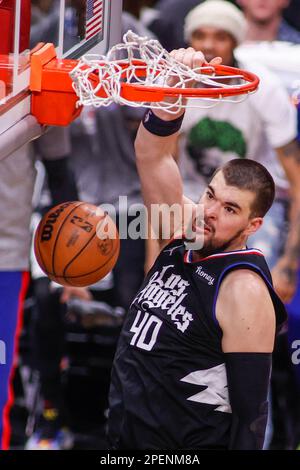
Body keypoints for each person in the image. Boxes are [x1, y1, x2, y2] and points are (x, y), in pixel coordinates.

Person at [107, 47, 287, 449]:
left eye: (229, 209)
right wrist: (175, 89)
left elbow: (251, 416)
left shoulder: (242, 288)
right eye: (210, 196)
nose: (209, 213)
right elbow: (151, 155)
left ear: (253, 225)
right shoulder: (185, 231)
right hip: (126, 439)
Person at [180, 0, 300, 306]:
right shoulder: (178, 84)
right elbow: (160, 164)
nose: (208, 45)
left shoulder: (265, 88)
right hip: (193, 197)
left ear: (236, 41)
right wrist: (153, 256)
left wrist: (289, 262)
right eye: (200, 35)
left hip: (250, 203)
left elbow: (298, 182)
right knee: (182, 292)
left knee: (255, 292)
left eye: (220, 36)